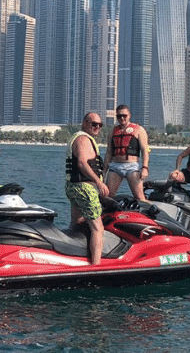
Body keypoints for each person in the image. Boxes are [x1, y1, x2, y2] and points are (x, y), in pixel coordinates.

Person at [65, 112, 109, 265]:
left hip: (74, 188)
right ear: (84, 124)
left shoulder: (82, 138)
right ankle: (96, 266)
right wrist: (99, 182)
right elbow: (82, 163)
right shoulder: (83, 139)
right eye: (93, 124)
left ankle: (72, 256)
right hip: (84, 189)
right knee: (98, 228)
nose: (97, 127)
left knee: (77, 223)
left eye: (99, 125)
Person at [104, 104, 150, 200]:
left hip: (132, 167)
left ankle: (148, 213)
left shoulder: (139, 130)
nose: (122, 118)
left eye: (124, 115)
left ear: (129, 115)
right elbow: (109, 153)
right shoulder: (112, 131)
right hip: (115, 166)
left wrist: (145, 168)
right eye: (119, 116)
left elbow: (145, 150)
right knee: (107, 196)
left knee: (139, 197)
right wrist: (104, 171)